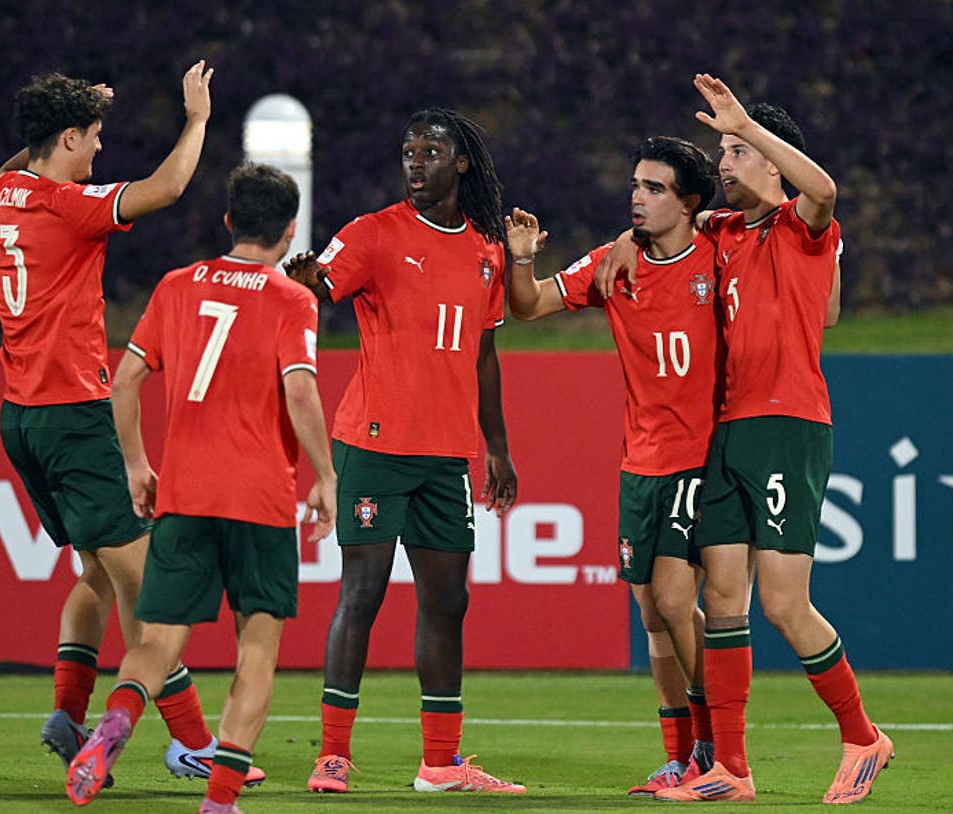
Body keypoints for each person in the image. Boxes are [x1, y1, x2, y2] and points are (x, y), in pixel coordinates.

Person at [0, 62, 252, 787]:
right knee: (149, 585)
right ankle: (190, 740)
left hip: (21, 418)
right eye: (93, 135)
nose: (101, 148)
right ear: (68, 139)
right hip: (73, 418)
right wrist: (197, 119)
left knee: (96, 574)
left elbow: (19, 163)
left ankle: (68, 714)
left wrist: (69, 111)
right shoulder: (71, 207)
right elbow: (166, 188)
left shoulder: (3, 192)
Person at [638, 74, 892, 805]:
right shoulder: (721, 232)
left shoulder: (803, 225)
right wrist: (628, 241)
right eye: (722, 151)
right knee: (724, 600)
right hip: (724, 431)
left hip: (787, 427)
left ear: (774, 162)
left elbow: (826, 190)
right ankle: (732, 768)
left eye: (738, 152)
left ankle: (863, 736)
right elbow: (661, 231)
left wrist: (748, 125)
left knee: (783, 603)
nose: (724, 162)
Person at [64, 162, 337, 813]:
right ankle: (219, 801)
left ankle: (117, 720)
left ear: (228, 220)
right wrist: (326, 474)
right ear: (290, 229)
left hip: (184, 496)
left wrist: (136, 467)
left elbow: (124, 382)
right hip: (259, 499)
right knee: (257, 649)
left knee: (157, 641)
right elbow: (300, 389)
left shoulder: (176, 286)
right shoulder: (291, 299)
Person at [283, 108, 525, 795]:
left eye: (431, 151)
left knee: (448, 601)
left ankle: (441, 764)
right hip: (375, 444)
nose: (416, 161)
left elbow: (484, 354)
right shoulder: (373, 232)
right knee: (362, 592)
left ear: (461, 163)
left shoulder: (487, 250)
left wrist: (497, 447)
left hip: (446, 455)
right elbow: (319, 286)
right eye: (409, 151)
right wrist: (307, 278)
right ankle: (332, 755)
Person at [503, 136, 722, 796]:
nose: (637, 197)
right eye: (635, 185)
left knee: (677, 600)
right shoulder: (613, 263)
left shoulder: (720, 252)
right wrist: (521, 259)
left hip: (702, 458)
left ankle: (715, 745)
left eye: (654, 188)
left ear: (689, 203)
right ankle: (678, 756)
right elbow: (528, 305)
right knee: (653, 614)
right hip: (640, 462)